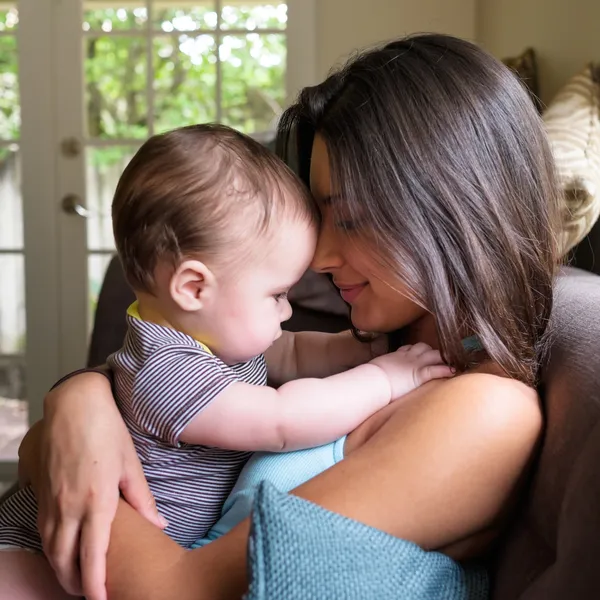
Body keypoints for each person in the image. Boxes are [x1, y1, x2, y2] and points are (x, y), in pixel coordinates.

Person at [4, 33, 560, 600]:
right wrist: (80, 399)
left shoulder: (487, 412)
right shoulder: (383, 346)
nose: (317, 259)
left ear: (443, 212)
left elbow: (177, 589)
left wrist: (62, 442)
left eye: (347, 219)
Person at [0, 124, 452, 581]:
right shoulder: (167, 371)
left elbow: (293, 353)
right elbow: (281, 419)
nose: (287, 308)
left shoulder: (210, 341)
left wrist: (353, 350)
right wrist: (386, 377)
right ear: (194, 287)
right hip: (34, 555)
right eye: (276, 294)